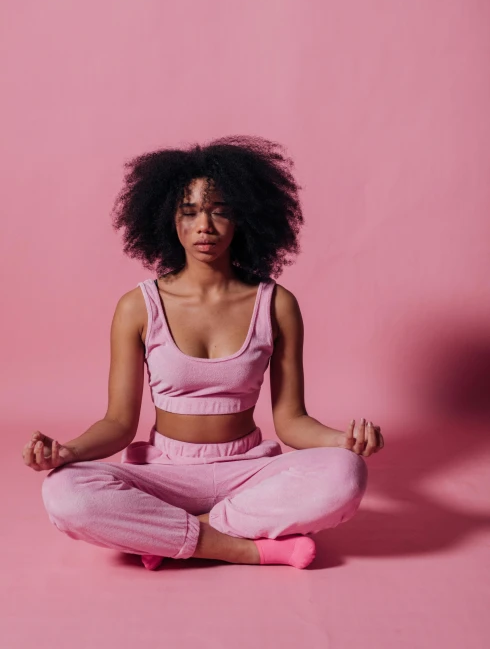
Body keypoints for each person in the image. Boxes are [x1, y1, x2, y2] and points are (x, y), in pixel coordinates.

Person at [22, 135, 384, 570]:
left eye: (220, 211)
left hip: (247, 472)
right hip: (163, 474)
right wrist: (66, 453)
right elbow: (119, 423)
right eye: (189, 212)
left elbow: (291, 421)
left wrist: (342, 441)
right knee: (63, 493)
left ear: (243, 218)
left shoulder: (277, 304)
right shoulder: (138, 306)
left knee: (346, 474)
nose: (204, 227)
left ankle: (170, 535)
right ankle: (247, 548)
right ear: (167, 220)